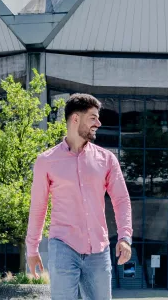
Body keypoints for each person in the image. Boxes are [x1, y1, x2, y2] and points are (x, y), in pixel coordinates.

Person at [25, 93, 133, 300]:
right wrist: (32, 248)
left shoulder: (107, 159)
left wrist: (125, 237)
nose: (98, 123)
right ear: (75, 119)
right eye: (93, 118)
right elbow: (39, 206)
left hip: (98, 250)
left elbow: (121, 200)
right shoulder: (46, 161)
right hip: (63, 245)